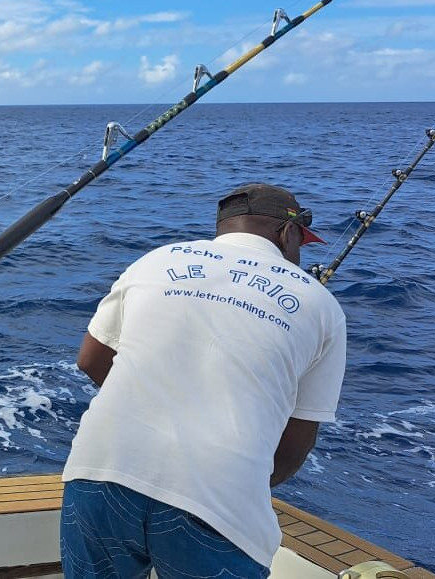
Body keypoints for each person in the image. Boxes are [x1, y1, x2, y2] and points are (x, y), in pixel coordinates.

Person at [60, 183, 347, 578]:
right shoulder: (323, 306)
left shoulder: (155, 260)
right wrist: (241, 479)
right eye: (302, 242)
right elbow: (297, 440)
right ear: (287, 232)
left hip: (100, 470)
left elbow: (91, 359)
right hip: (219, 502)